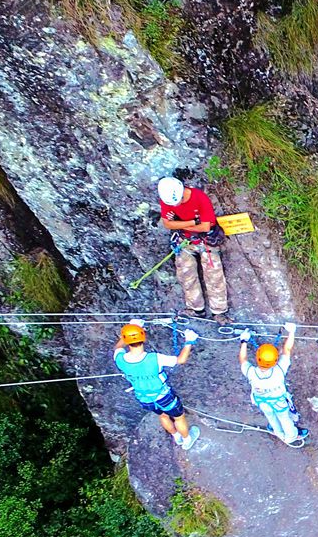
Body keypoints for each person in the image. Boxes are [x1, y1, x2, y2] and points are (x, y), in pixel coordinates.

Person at [113, 320, 199, 449]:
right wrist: (189, 341)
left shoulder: (119, 358)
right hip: (163, 396)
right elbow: (181, 360)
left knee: (163, 415)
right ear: (143, 337)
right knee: (179, 418)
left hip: (144, 398)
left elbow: (118, 347)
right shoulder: (154, 358)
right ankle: (187, 440)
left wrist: (132, 328)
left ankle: (176, 436)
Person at [157, 177, 228, 322]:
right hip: (186, 240)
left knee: (214, 274)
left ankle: (219, 312)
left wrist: (178, 223)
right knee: (186, 273)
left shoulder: (199, 198)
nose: (177, 204)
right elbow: (167, 224)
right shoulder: (167, 198)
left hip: (206, 239)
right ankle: (196, 309)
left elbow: (205, 227)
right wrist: (191, 222)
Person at [239, 324, 304, 445]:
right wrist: (292, 332)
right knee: (284, 418)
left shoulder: (251, 372)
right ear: (275, 360)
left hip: (261, 400)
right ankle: (291, 436)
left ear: (258, 358)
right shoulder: (279, 370)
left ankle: (278, 432)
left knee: (271, 417)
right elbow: (287, 350)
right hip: (278, 401)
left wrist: (244, 341)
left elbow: (243, 359)